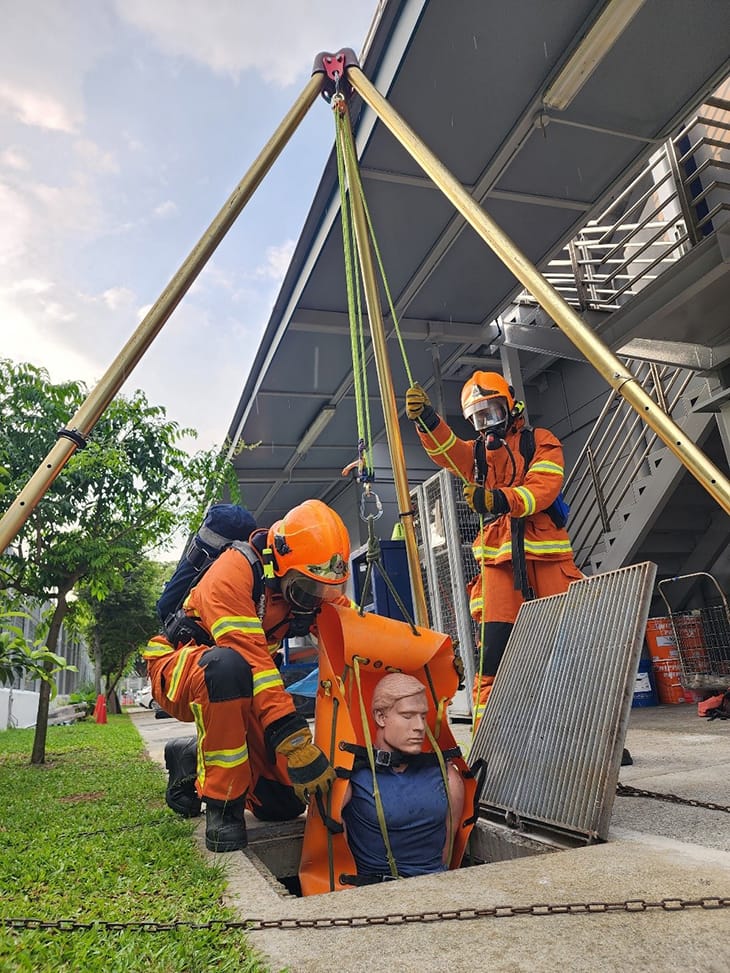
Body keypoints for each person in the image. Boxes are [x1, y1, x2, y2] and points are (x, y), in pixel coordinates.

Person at [142, 498, 352, 852]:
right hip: (182, 669)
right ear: (280, 563)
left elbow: (356, 627)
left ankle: (191, 756)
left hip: (243, 683)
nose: (315, 600)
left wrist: (420, 655)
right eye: (307, 589)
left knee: (281, 805)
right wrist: (296, 742)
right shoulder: (233, 573)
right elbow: (249, 657)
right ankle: (223, 806)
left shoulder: (305, 585)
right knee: (228, 668)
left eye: (324, 590)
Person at [405, 372, 583, 727]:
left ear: (511, 406)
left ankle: (592, 734)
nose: (486, 424)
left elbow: (542, 489)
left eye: (493, 412)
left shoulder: (541, 442)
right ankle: (491, 738)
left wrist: (499, 499)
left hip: (548, 561)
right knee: (494, 658)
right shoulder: (477, 456)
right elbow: (448, 451)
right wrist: (428, 420)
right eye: (478, 417)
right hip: (500, 565)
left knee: (574, 655)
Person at [341, 673, 465, 882]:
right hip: (373, 897)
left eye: (423, 716)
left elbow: (448, 848)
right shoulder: (350, 778)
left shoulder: (447, 776)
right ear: (381, 717)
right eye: (408, 716)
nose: (419, 726)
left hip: (436, 889)